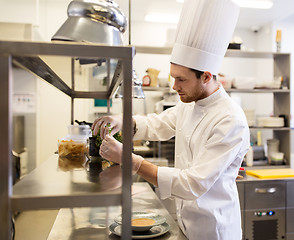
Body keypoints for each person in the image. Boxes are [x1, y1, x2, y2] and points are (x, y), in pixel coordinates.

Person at [92, 0, 249, 239]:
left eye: (182, 80)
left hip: (214, 230)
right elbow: (160, 124)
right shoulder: (190, 104)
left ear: (206, 76)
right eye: (173, 78)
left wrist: (130, 160)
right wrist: (124, 121)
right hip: (187, 223)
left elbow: (192, 184)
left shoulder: (229, 119)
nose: (175, 86)